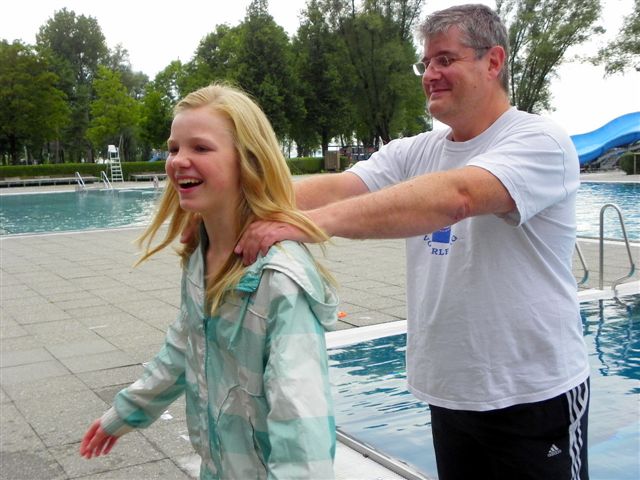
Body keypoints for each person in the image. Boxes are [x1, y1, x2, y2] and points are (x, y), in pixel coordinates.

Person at [233, 4, 590, 480]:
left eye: (445, 60)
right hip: (451, 392)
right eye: (426, 63)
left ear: (493, 61)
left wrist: (311, 224)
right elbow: (339, 188)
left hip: (533, 394)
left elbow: (457, 196)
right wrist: (232, 204)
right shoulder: (416, 150)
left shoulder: (540, 141)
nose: (430, 74)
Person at [79, 83, 339, 479]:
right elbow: (184, 347)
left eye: (200, 148)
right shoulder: (200, 255)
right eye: (173, 148)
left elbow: (302, 428)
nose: (178, 161)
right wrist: (126, 411)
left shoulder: (279, 280)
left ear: (248, 161)